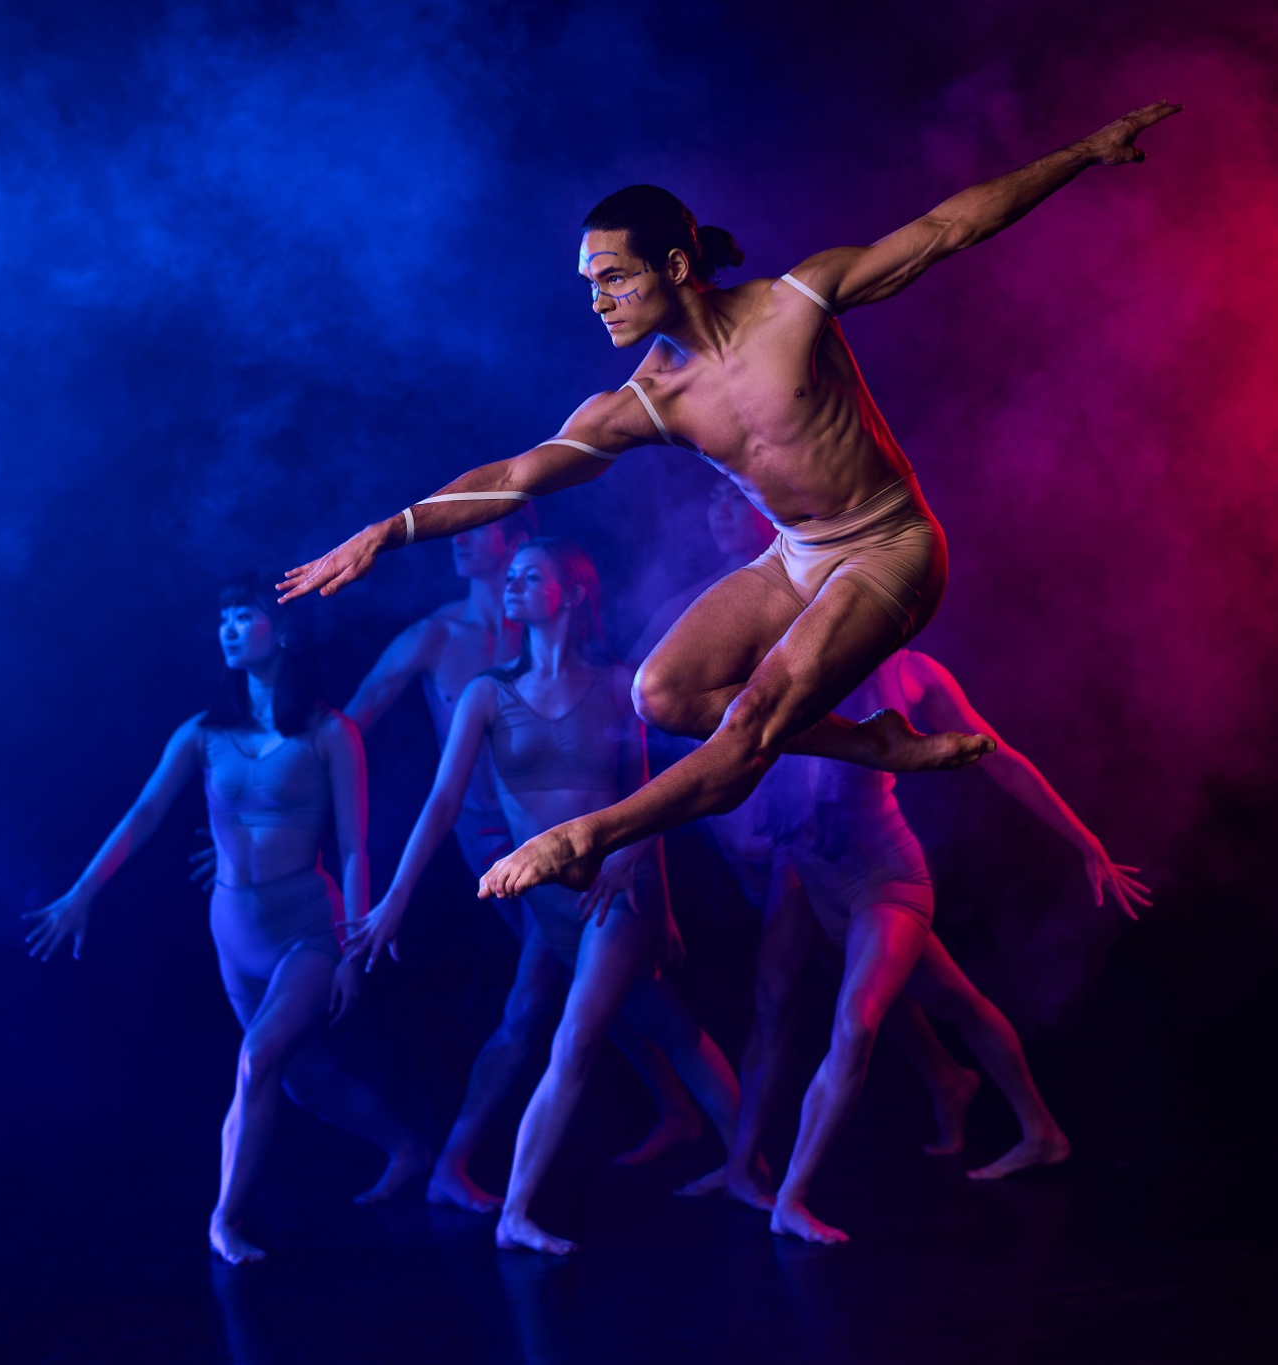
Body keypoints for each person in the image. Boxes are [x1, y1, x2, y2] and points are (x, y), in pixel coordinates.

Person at [276, 103, 1180, 907]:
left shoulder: (794, 305)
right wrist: (384, 530)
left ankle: (588, 835)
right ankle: (873, 745)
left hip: (891, 548)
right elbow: (514, 479)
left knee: (751, 725)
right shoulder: (647, 400)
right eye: (588, 284)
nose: (597, 301)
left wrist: (1088, 150)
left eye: (614, 278)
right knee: (662, 694)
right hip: (794, 555)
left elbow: (947, 229)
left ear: (675, 265)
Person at [636, 483, 1149, 1235]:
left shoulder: (916, 675)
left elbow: (1001, 760)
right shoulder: (795, 662)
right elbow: (720, 735)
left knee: (858, 1022)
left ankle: (792, 1199)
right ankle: (759, 1163)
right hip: (805, 871)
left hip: (885, 880)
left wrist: (1087, 844)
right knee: (820, 1003)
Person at [351, 539, 742, 1254]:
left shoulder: (620, 683)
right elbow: (441, 802)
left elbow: (646, 797)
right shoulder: (486, 693)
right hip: (547, 905)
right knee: (672, 1029)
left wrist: (658, 896)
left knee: (575, 1035)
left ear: (573, 592)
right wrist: (394, 897)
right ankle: (748, 1163)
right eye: (513, 575)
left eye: (533, 576)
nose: (513, 585)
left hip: (615, 894)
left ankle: (517, 1211)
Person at [24, 575, 429, 1265]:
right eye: (224, 620)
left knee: (255, 1059)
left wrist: (352, 950)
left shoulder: (332, 732)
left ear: (285, 630)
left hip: (306, 926)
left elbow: (355, 844)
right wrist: (82, 891)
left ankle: (225, 1219)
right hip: (232, 932)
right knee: (303, 1082)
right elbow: (144, 813)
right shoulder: (203, 732)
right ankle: (408, 1147)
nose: (229, 630)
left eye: (246, 617)